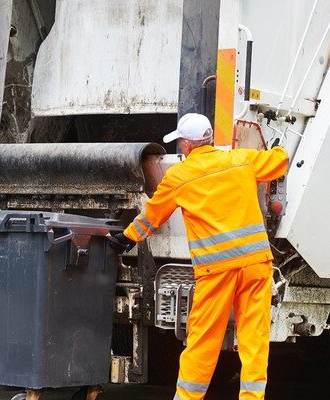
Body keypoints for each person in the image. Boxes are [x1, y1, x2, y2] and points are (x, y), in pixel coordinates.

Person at [108, 113, 288, 400]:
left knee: (203, 340)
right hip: (256, 265)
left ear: (188, 145)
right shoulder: (240, 160)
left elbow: (151, 217)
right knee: (255, 340)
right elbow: (278, 162)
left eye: (180, 141)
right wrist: (278, 146)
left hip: (216, 272)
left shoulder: (180, 176)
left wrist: (124, 239)